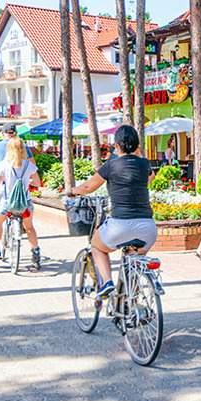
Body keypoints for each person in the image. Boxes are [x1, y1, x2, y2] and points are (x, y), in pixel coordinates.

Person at [66, 125, 156, 298]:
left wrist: (73, 191)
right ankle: (133, 304)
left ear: (116, 146)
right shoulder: (144, 164)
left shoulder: (111, 165)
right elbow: (150, 180)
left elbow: (88, 187)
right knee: (133, 266)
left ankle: (107, 282)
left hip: (120, 225)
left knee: (96, 245)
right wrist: (138, 154)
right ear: (137, 145)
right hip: (147, 228)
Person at [0, 137, 43, 272]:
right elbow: (37, 183)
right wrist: (27, 181)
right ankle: (36, 255)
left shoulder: (4, 165)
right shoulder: (29, 165)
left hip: (8, 203)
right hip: (25, 203)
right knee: (29, 228)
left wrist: (4, 179)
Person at [0, 124, 34, 212]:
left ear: (2, 133)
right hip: (20, 184)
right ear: (15, 133)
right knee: (24, 212)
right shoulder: (23, 147)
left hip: (1, 183)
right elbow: (32, 165)